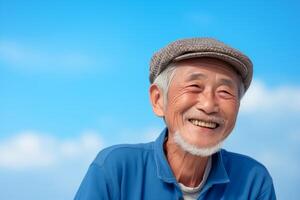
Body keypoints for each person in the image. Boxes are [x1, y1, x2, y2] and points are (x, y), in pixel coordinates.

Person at [74, 38, 276, 200]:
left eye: (225, 92)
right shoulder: (116, 168)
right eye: (194, 86)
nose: (208, 105)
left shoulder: (253, 180)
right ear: (158, 100)